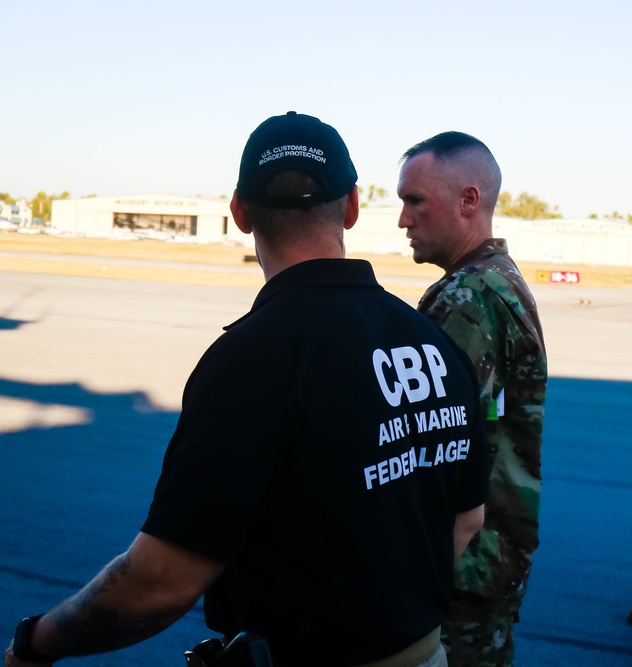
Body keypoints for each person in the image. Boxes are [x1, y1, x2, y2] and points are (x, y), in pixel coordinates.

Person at [5, 111, 490, 667]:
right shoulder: (433, 341)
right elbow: (467, 520)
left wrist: (36, 641)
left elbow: (160, 584)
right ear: (353, 207)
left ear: (238, 212)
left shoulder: (251, 360)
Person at [397, 131, 547, 667]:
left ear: (468, 200)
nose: (403, 219)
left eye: (415, 201)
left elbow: (435, 447)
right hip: (489, 554)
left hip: (463, 564)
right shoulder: (493, 282)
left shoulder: (469, 300)